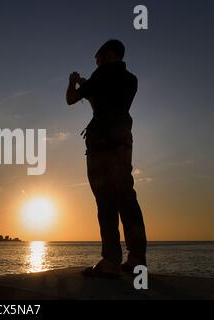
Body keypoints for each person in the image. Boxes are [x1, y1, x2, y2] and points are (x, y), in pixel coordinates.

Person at [66, 39, 147, 278]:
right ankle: (137, 258)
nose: (97, 62)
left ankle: (111, 260)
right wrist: (90, 86)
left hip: (101, 144)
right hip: (122, 142)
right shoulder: (131, 80)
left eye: (99, 58)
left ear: (110, 55)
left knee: (106, 202)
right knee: (127, 200)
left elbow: (71, 99)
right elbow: (102, 105)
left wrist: (74, 83)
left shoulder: (100, 75)